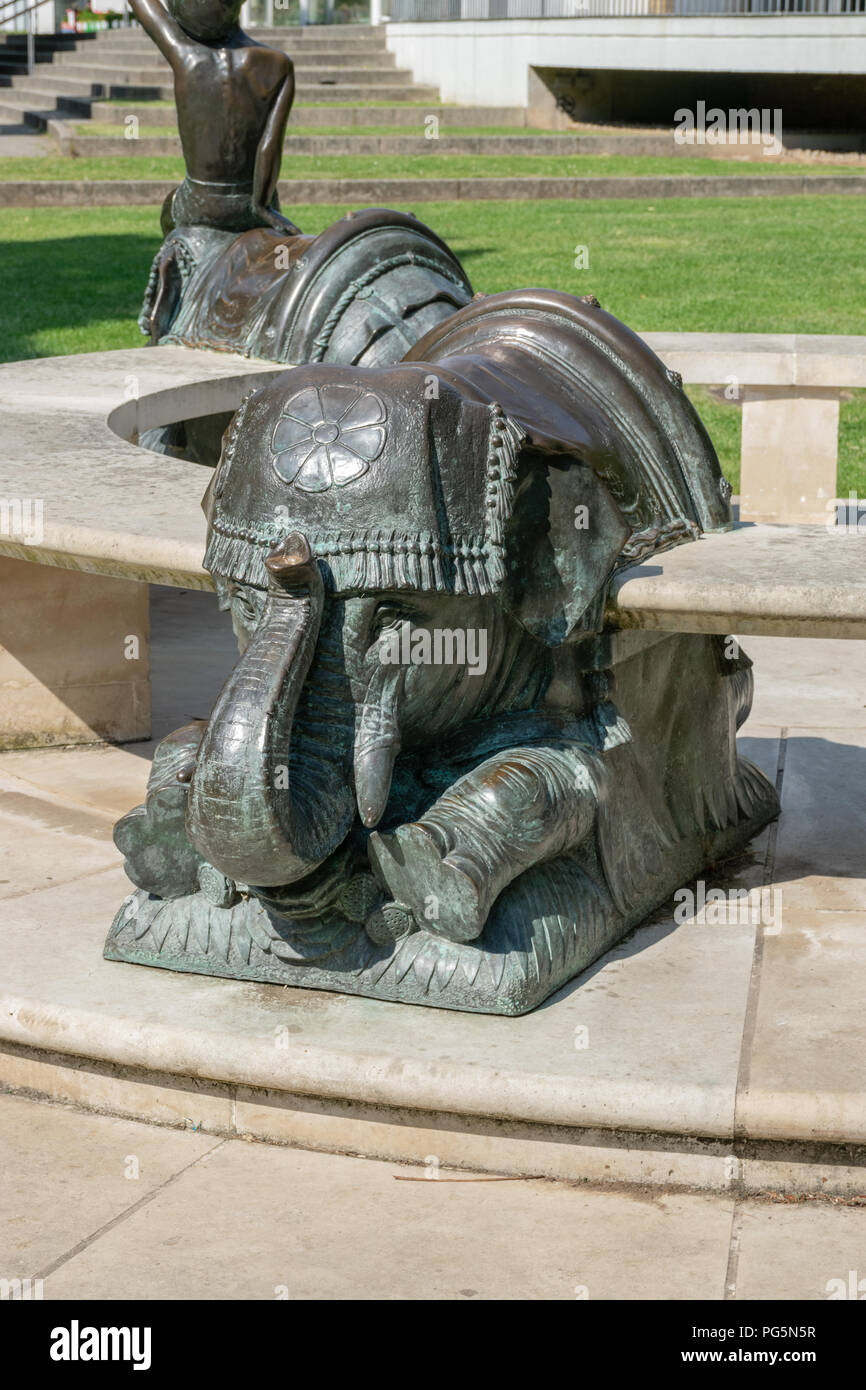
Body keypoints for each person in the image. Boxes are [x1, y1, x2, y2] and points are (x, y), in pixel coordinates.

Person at [130, 0, 299, 236]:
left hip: (201, 204)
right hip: (253, 202)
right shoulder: (278, 64)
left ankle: (172, 268)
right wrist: (261, 206)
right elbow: (270, 145)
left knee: (169, 212)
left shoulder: (184, 54)